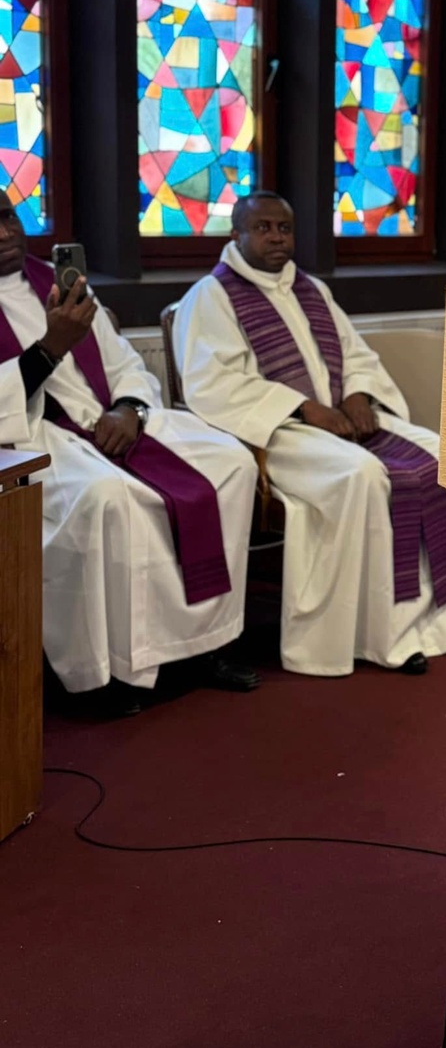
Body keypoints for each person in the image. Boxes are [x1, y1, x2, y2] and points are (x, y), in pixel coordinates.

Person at [171, 192, 446, 678]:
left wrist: (359, 394)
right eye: (263, 228)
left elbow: (355, 353)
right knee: (360, 474)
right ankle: (366, 635)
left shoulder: (311, 289)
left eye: (284, 228)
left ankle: (440, 620)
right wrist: (302, 407)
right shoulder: (210, 298)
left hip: (336, 418)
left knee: (442, 456)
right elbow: (213, 385)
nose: (276, 237)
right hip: (274, 434)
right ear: (236, 235)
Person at [0, 192, 260, 717]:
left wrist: (129, 411)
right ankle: (109, 673)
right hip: (30, 436)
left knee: (234, 464)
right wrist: (51, 346)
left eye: (6, 216)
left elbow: (123, 365)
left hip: (108, 420)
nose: (4, 233)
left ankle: (209, 643)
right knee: (106, 496)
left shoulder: (60, 282)